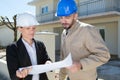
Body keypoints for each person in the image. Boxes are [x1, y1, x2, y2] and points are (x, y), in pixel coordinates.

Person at [55, 0, 111, 80]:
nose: (63, 21)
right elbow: (64, 58)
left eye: (67, 17)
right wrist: (61, 77)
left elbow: (104, 55)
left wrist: (81, 64)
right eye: (61, 17)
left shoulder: (87, 30)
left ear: (75, 16)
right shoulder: (64, 33)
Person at [6, 13, 51, 80]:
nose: (32, 31)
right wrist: (18, 74)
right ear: (20, 29)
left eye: (34, 28)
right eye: (28, 28)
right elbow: (13, 74)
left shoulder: (40, 45)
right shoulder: (12, 48)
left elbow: (47, 59)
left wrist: (48, 62)